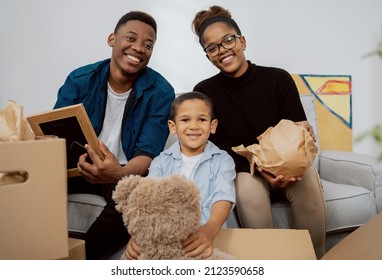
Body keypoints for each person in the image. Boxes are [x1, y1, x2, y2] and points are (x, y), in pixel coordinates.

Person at [191, 6, 326, 258]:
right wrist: (261, 168)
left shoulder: (278, 79)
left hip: (287, 164)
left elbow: (297, 133)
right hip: (246, 170)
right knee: (247, 189)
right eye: (213, 48)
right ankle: (267, 263)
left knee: (307, 184)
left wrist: (289, 161)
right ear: (208, 56)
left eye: (228, 40)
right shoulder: (204, 92)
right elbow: (216, 149)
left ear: (242, 41)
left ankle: (314, 261)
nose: (223, 50)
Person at [54, 11, 175, 259]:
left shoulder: (161, 91)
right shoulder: (79, 80)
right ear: (112, 39)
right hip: (78, 166)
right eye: (131, 38)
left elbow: (147, 153)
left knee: (140, 197)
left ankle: (83, 259)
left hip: (125, 170)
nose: (139, 48)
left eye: (148, 45)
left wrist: (118, 173)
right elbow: (57, 137)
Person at [123, 91, 236, 259]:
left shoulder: (222, 160)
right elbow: (149, 201)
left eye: (202, 120)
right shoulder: (160, 162)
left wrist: (210, 229)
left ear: (213, 126)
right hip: (166, 238)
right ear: (172, 126)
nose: (194, 126)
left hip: (205, 235)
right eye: (185, 120)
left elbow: (223, 196)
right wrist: (139, 234)